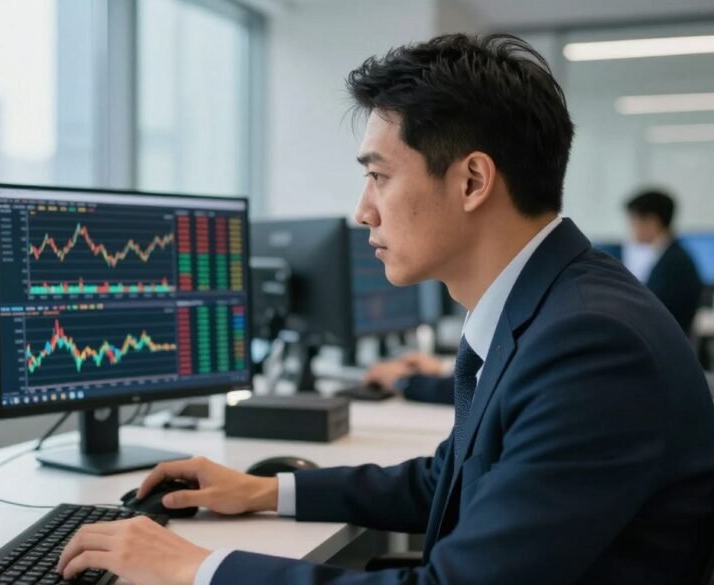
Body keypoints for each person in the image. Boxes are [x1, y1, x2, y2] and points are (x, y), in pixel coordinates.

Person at [56, 33, 714, 585]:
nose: (362, 210)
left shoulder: (591, 344)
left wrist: (198, 568)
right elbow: (454, 477)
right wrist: (267, 491)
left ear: (472, 180)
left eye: (378, 175)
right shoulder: (549, 305)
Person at [625, 189, 704, 335]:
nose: (631, 229)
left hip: (666, 340)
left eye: (633, 222)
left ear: (652, 222)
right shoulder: (667, 254)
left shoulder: (674, 264)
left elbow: (650, 310)